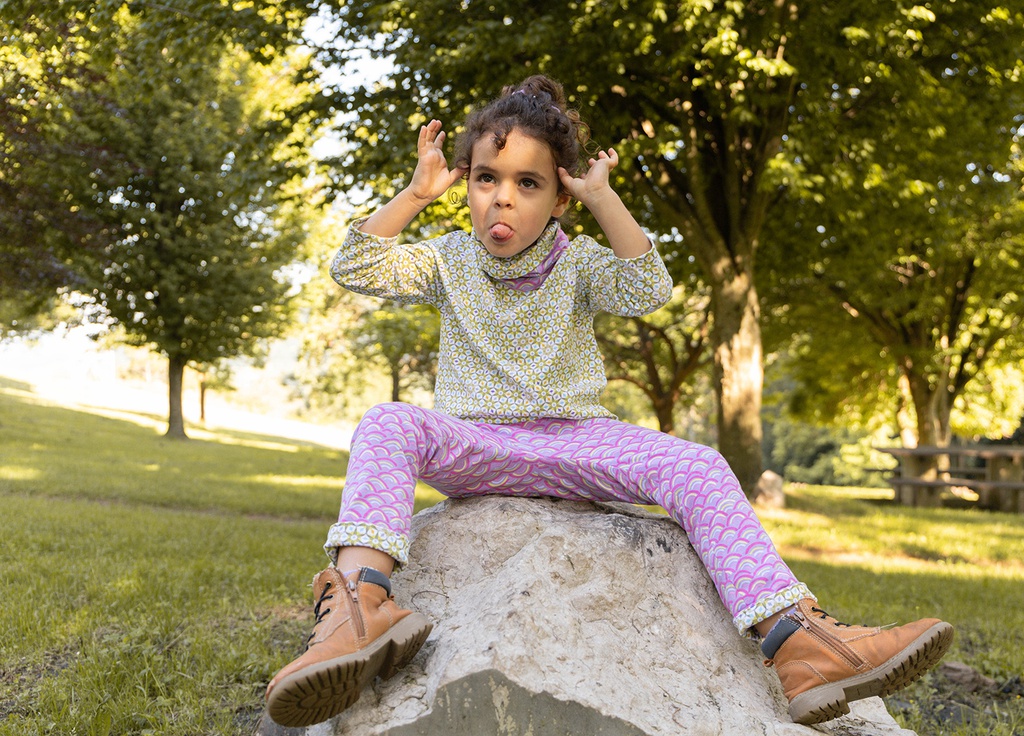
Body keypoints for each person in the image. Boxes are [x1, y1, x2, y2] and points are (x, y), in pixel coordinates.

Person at [265, 75, 953, 728]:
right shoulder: (446, 260)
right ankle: (360, 608)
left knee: (699, 465)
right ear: (466, 185)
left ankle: (800, 645)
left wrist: (604, 198)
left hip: (575, 441)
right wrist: (415, 194)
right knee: (386, 422)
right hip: (473, 443)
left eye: (527, 184)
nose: (502, 199)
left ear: (558, 199)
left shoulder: (581, 261)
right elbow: (353, 265)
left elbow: (648, 287)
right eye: (485, 179)